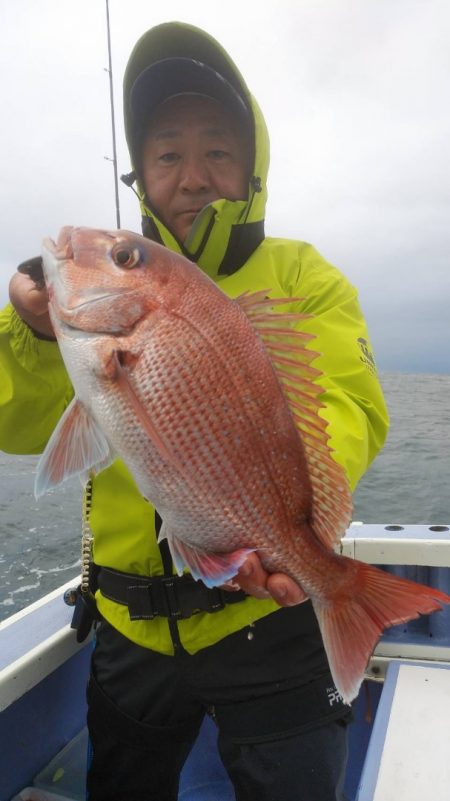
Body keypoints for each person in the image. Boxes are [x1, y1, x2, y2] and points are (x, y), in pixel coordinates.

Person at [1, 21, 389, 801]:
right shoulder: (82, 322)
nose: (194, 172)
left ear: (253, 164)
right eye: (168, 151)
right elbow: (15, 421)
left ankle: (343, 597)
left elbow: (345, 403)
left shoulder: (304, 277)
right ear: (142, 170)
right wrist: (34, 332)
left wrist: (289, 532)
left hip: (271, 624)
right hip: (131, 628)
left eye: (219, 148)